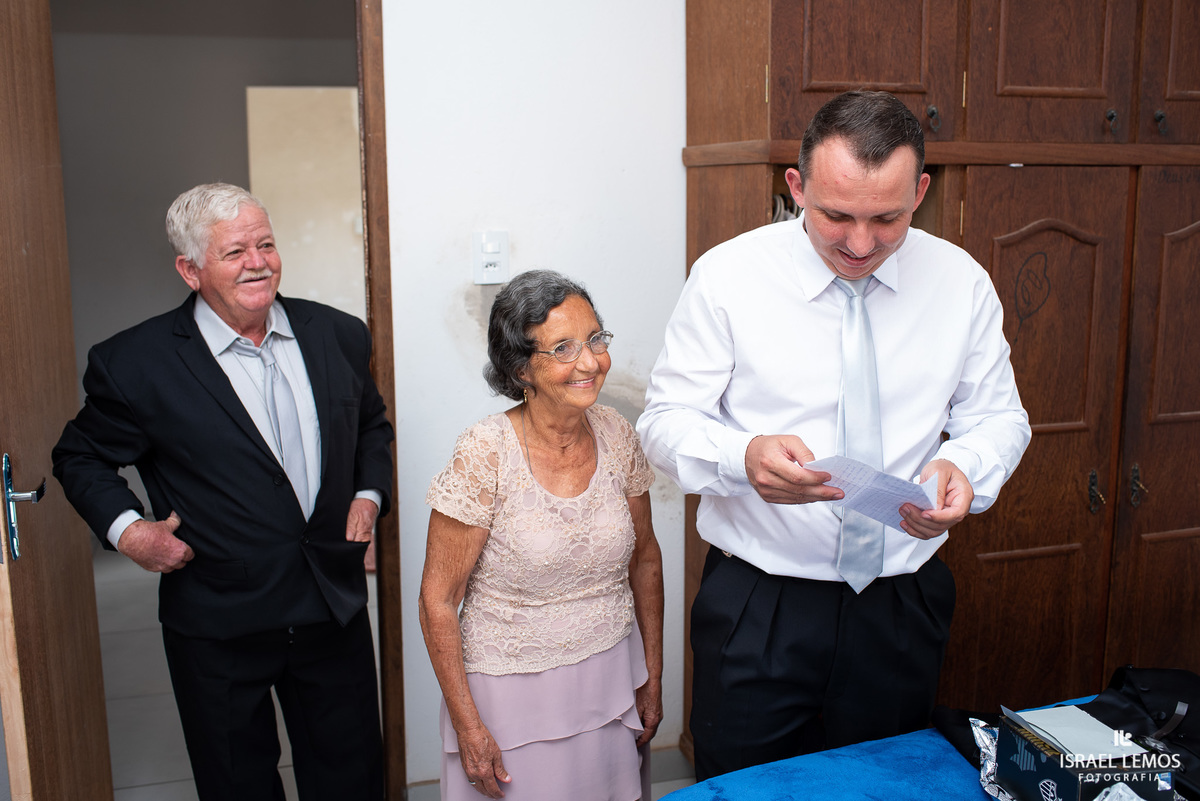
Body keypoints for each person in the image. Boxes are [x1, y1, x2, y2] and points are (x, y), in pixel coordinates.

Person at [637, 90, 1031, 780]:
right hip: (761, 604)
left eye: (888, 218)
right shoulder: (729, 276)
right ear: (796, 186)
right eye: (835, 215)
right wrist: (741, 455)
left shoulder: (961, 283)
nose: (859, 243)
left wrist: (966, 463)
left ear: (921, 191)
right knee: (747, 788)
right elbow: (664, 422)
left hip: (900, 604)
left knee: (886, 785)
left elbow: (1000, 418)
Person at [52, 183, 393, 800]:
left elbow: (370, 426)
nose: (259, 262)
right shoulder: (135, 362)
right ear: (190, 270)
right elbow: (79, 457)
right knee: (237, 783)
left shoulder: (338, 334)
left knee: (353, 777)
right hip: (217, 617)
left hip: (329, 603)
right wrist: (131, 532)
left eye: (265, 244)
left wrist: (368, 497)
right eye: (235, 251)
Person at [420, 269, 664, 800]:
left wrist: (652, 673)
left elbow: (645, 558)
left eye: (596, 339)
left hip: (609, 683)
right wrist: (468, 726)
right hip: (510, 701)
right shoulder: (484, 453)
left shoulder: (618, 434)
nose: (590, 362)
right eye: (563, 348)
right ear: (520, 369)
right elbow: (437, 601)